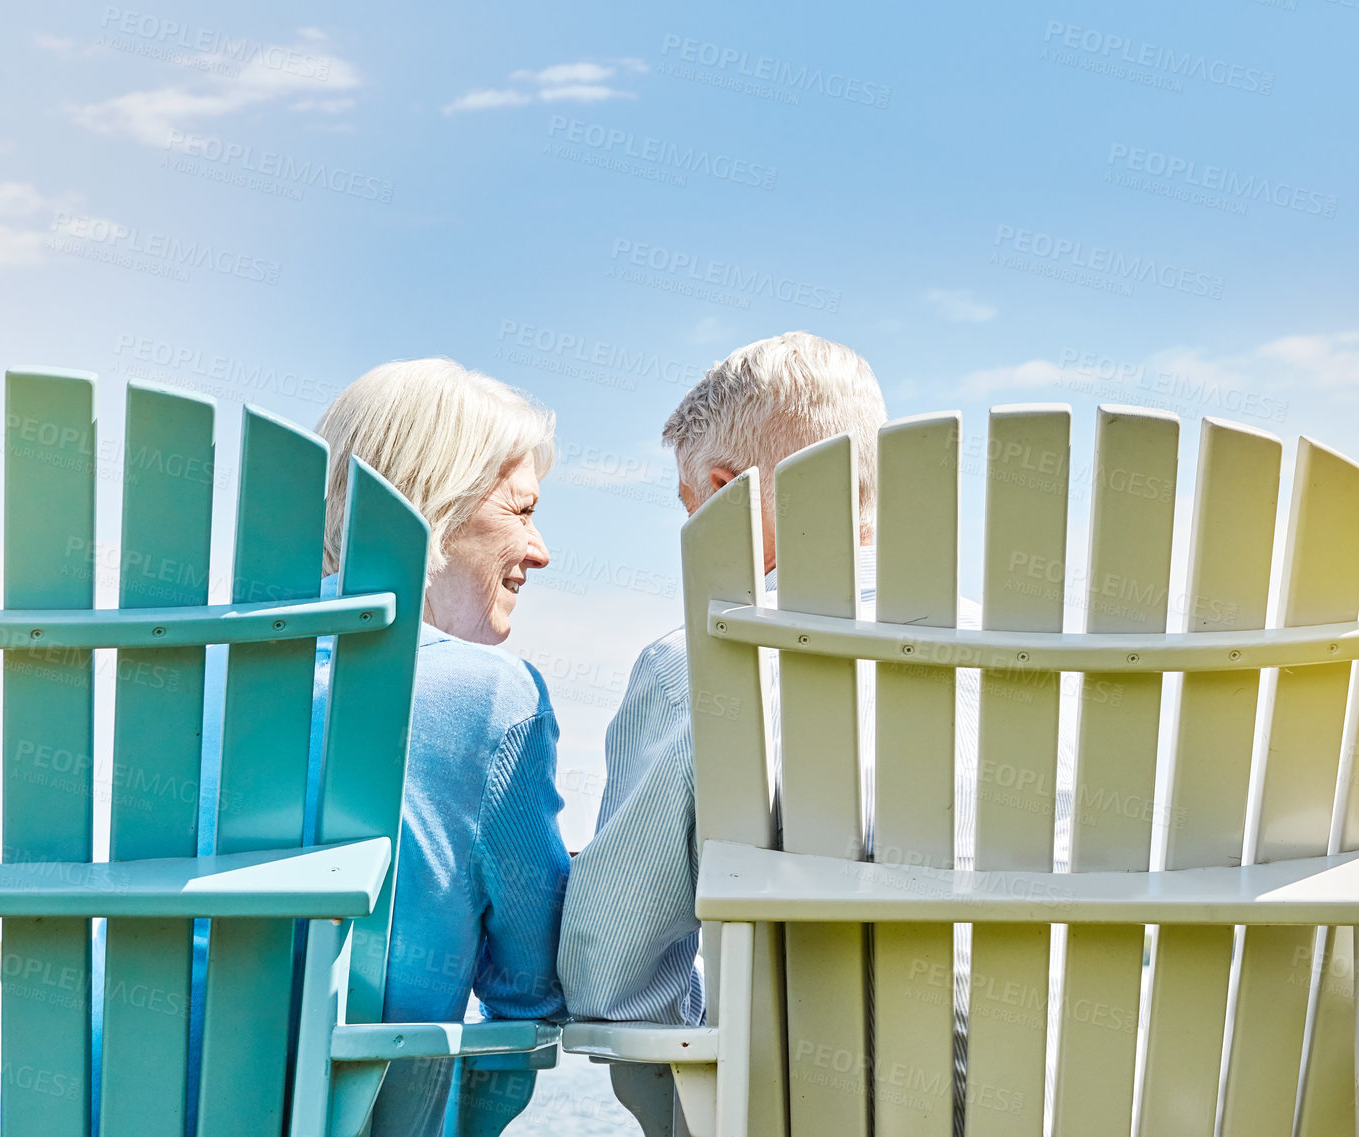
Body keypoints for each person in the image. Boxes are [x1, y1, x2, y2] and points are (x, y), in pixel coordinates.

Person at [557, 332, 981, 1131]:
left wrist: (696, 1114)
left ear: (725, 493)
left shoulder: (700, 663)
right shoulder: (1036, 664)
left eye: (689, 511)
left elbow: (611, 973)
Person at [312, 358, 570, 1137]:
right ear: (434, 502)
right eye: (521, 509)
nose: (539, 549)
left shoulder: (186, 670)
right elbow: (528, 995)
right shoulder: (487, 697)